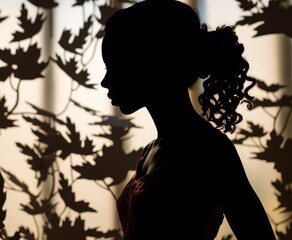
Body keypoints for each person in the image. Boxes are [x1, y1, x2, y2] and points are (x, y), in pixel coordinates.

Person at [100, 0, 276, 239]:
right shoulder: (151, 151)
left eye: (114, 67)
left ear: (151, 63)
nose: (105, 81)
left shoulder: (210, 150)